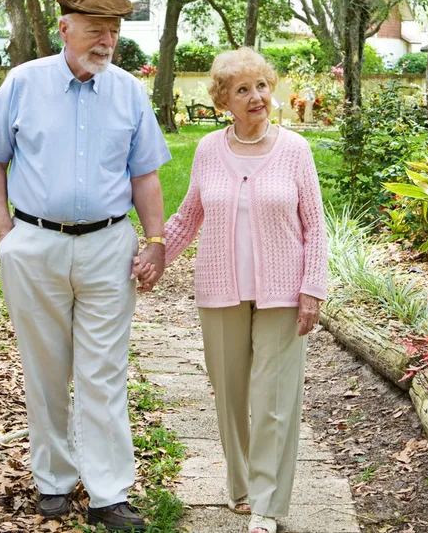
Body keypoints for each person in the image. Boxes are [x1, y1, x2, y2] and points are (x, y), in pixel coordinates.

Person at [0, 0, 170, 532]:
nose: (106, 42)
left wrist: (155, 241)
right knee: (46, 369)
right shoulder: (24, 83)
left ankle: (109, 494)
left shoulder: (128, 92)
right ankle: (53, 481)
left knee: (104, 372)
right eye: (96, 30)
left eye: (114, 32)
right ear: (65, 29)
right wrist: (5, 234)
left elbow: (144, 175)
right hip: (35, 244)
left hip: (109, 246)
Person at [137, 47, 328, 533]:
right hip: (219, 289)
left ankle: (267, 504)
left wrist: (313, 288)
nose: (256, 97)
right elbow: (189, 215)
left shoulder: (295, 151)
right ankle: (241, 488)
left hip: (283, 295)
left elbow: (315, 228)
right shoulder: (208, 150)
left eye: (261, 85)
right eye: (242, 90)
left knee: (274, 398)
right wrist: (154, 254)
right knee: (230, 394)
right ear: (224, 100)